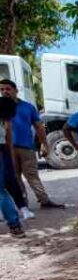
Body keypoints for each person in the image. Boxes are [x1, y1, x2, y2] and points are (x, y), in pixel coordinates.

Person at [0, 79, 65, 209]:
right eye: (2, 90)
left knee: (32, 175)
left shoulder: (28, 107)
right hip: (5, 149)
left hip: (26, 148)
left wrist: (44, 144)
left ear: (16, 90)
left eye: (8, 89)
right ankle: (22, 205)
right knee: (13, 178)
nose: (4, 92)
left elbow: (39, 126)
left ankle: (44, 200)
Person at [0, 97, 25, 238]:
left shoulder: (4, 120)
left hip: (2, 151)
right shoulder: (4, 120)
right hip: (2, 151)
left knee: (1, 190)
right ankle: (14, 224)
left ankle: (14, 224)